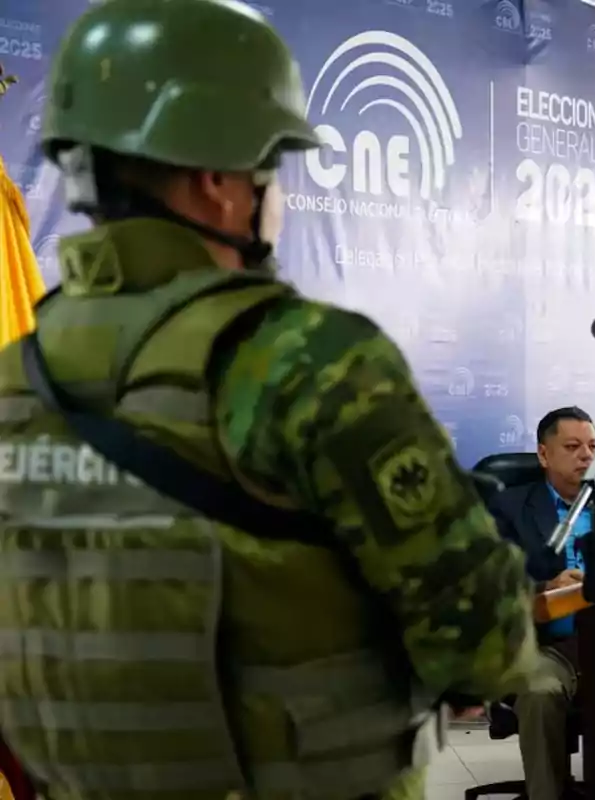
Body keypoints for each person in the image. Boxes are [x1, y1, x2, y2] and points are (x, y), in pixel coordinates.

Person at [0, 3, 539, 799]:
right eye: (271, 166)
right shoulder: (308, 360)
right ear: (219, 181)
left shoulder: (18, 377)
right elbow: (484, 648)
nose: (276, 193)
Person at [487, 407, 595, 800]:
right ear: (544, 455)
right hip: (544, 644)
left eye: (593, 447)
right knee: (540, 690)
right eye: (573, 446)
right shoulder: (507, 509)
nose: (586, 456)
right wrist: (547, 585)